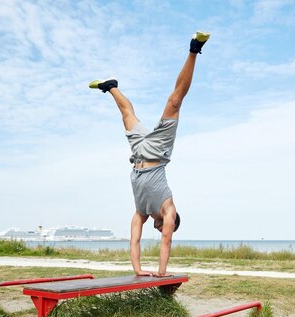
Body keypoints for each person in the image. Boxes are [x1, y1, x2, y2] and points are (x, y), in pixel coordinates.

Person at [89, 31, 210, 277]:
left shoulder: (141, 211)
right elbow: (167, 242)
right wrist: (162, 272)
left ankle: (111, 87)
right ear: (169, 222)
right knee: (174, 101)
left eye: (162, 228)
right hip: (158, 152)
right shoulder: (169, 210)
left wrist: (138, 270)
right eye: (165, 227)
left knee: (127, 115)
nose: (161, 230)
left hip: (138, 155)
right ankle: (195, 48)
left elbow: (133, 241)